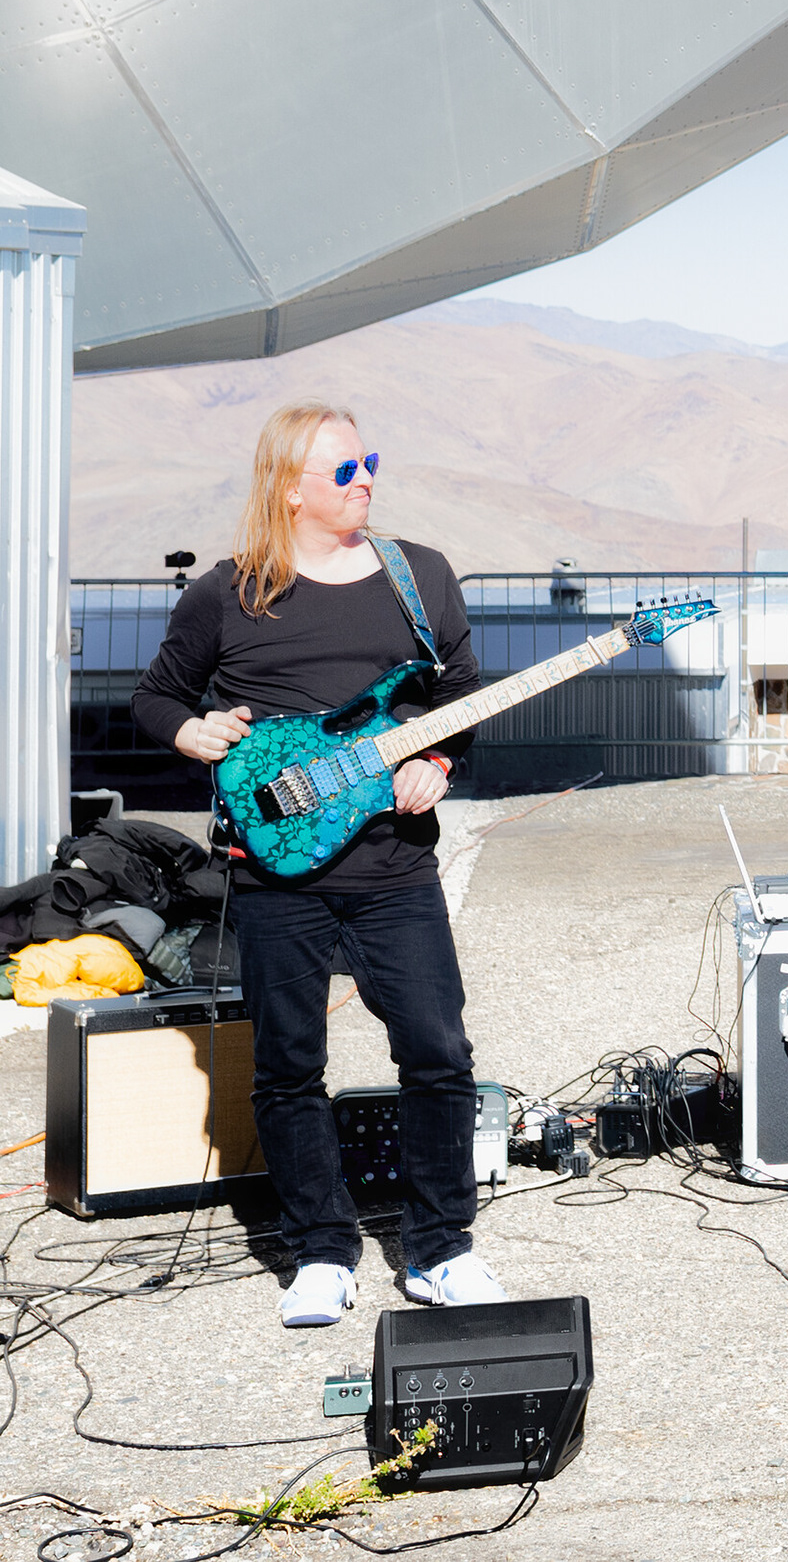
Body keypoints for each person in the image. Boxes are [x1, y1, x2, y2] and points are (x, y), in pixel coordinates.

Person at [129, 404, 497, 1325]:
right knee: (289, 1065)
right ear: (290, 487)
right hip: (276, 874)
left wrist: (436, 760)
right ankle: (321, 1250)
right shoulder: (227, 591)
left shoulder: (421, 576)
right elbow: (156, 695)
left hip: (394, 867)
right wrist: (191, 729)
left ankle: (440, 1247)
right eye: (344, 469)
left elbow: (458, 694)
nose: (365, 478)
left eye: (368, 461)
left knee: (439, 1051)